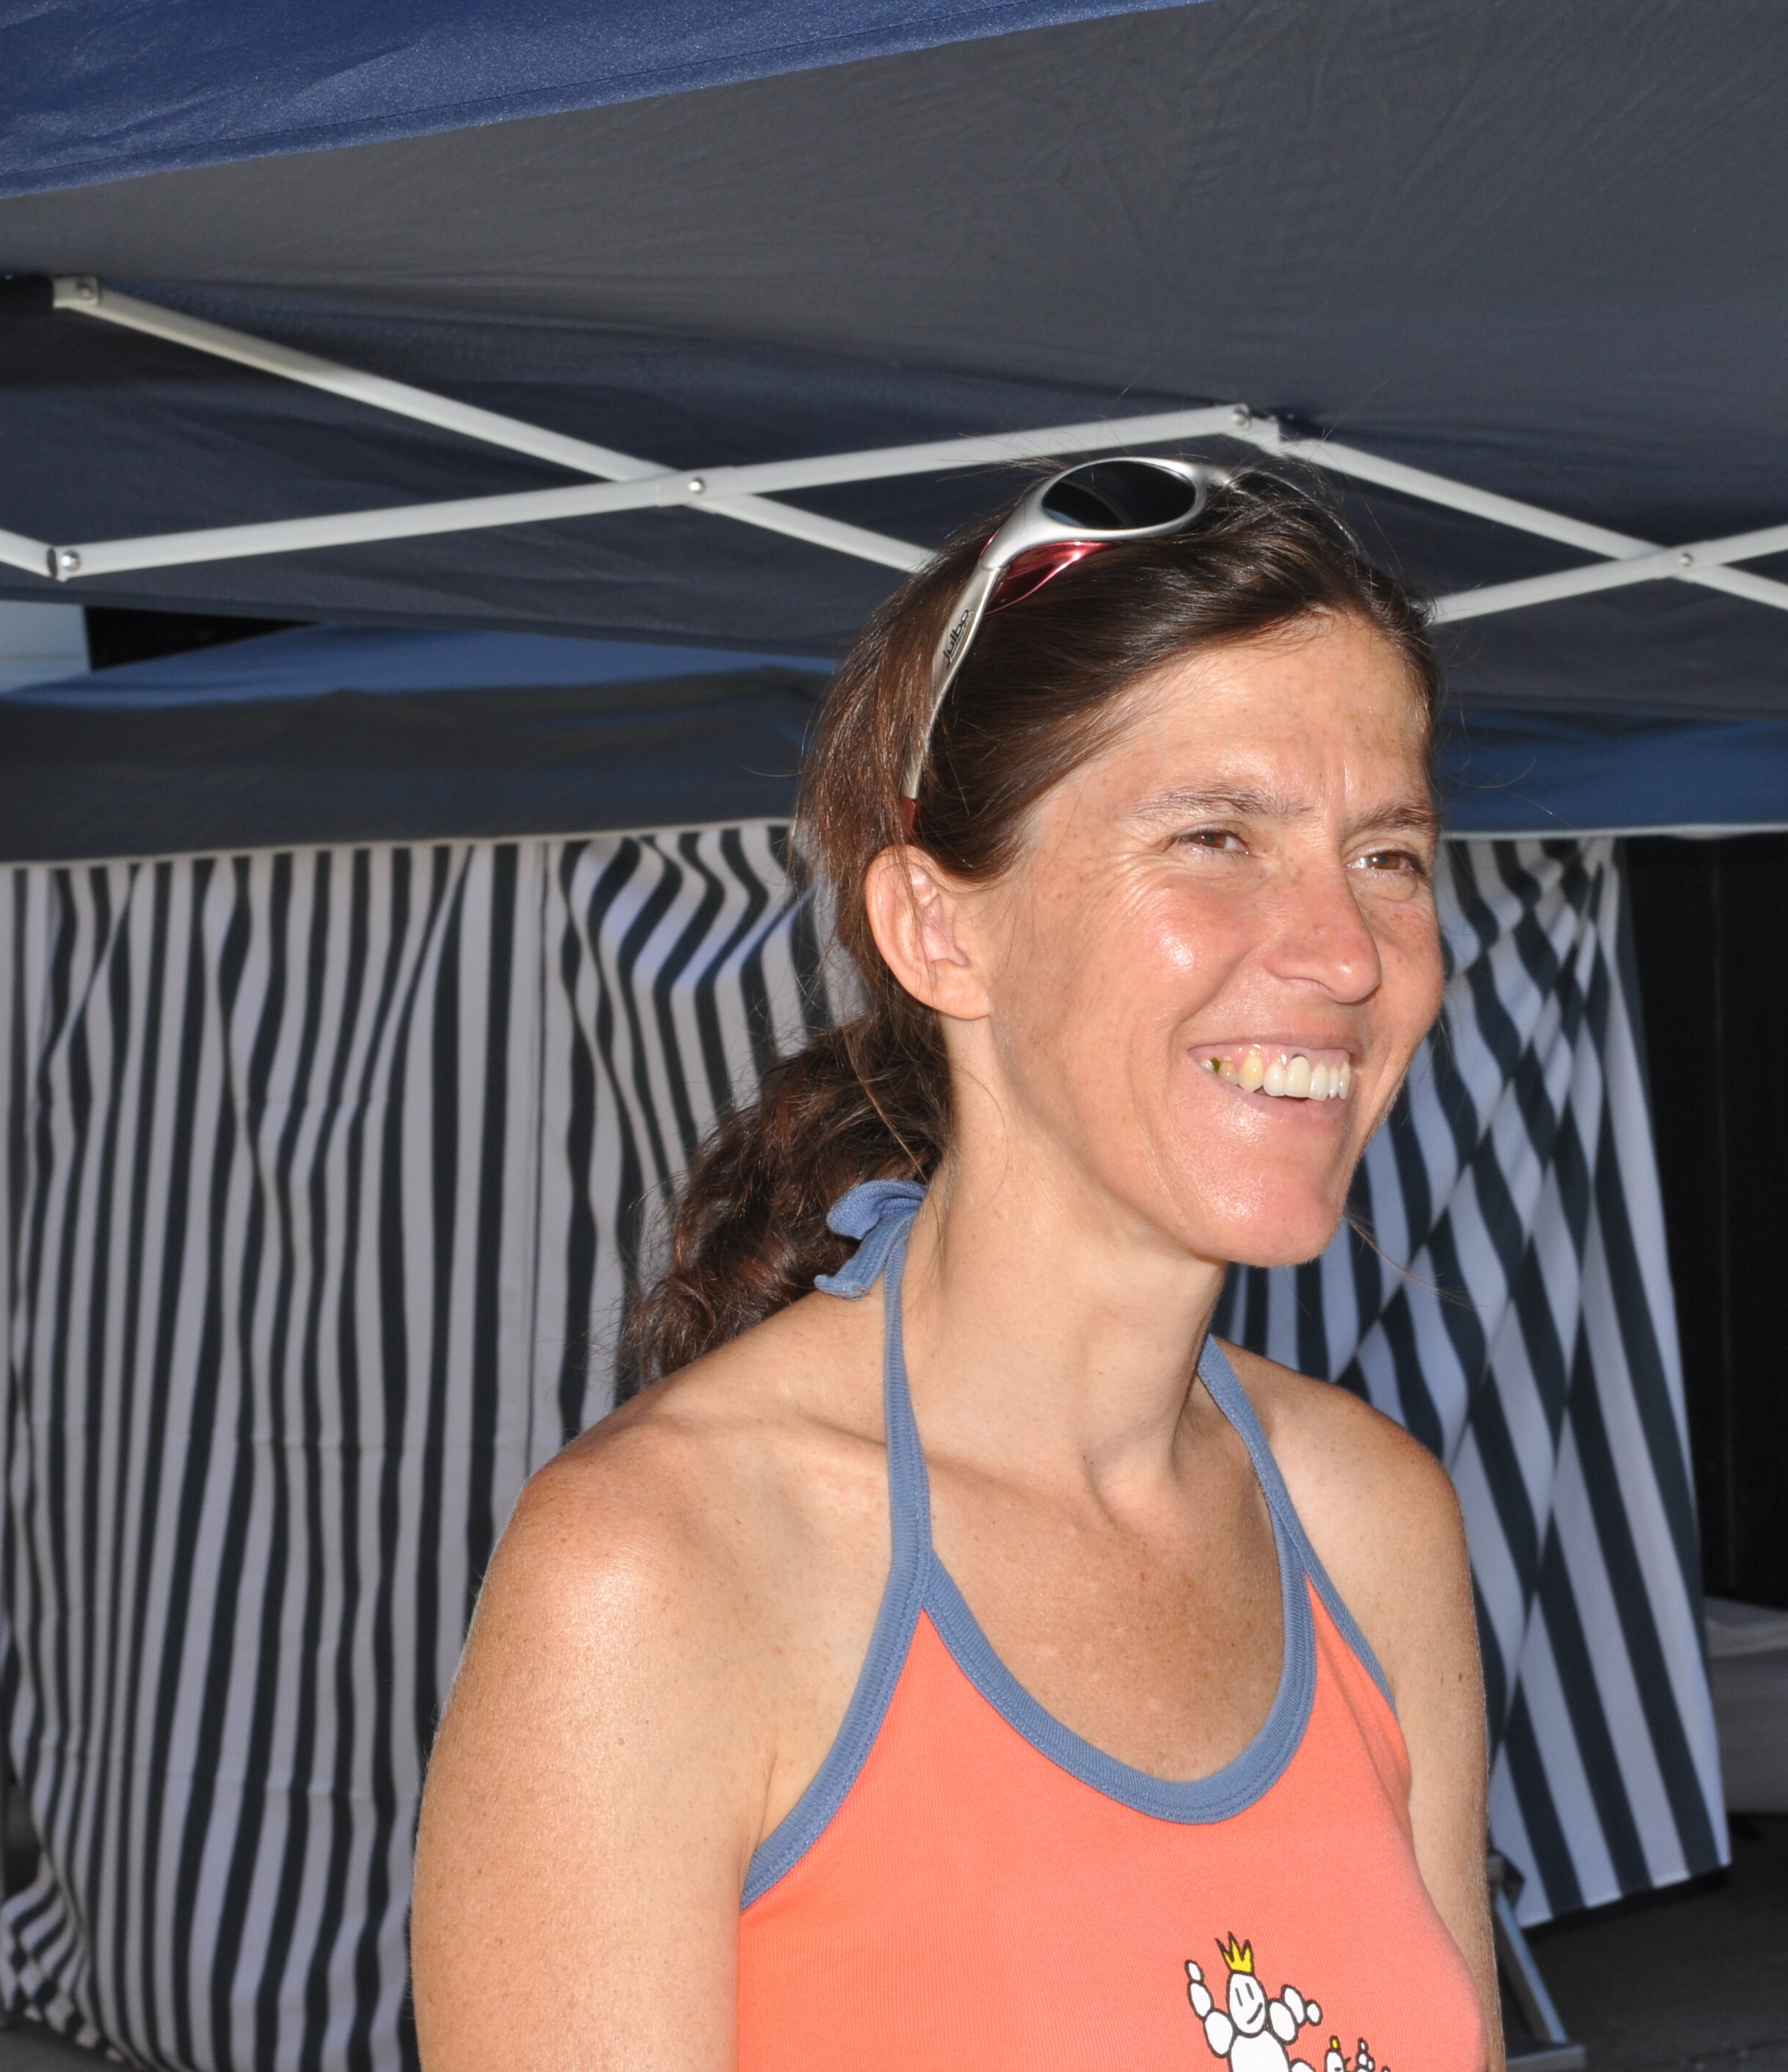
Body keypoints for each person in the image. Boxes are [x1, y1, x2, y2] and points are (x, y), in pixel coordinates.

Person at [412, 461, 1498, 2071]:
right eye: (1214, 835)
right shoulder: (663, 1571)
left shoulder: (1368, 1521)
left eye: (1388, 856)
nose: (1346, 953)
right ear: (939, 929)